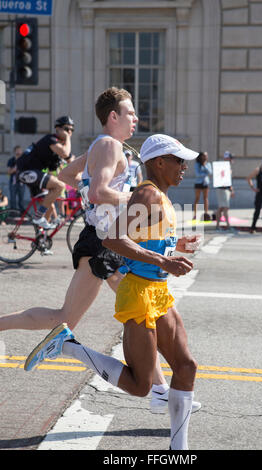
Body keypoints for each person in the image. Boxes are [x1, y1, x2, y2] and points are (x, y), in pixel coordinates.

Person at [0, 88, 199, 415]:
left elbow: (66, 176)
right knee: (66, 318)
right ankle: (158, 389)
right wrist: (134, 196)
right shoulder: (108, 144)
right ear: (113, 117)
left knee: (143, 314)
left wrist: (96, 195)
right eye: (130, 113)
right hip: (104, 243)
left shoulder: (103, 146)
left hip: (107, 240)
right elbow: (98, 189)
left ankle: (160, 390)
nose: (136, 118)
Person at [24, 134, 200, 450]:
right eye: (178, 160)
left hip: (158, 293)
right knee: (140, 384)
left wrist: (175, 247)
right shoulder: (147, 195)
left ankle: (179, 449)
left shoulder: (160, 194)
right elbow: (114, 240)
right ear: (159, 163)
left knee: (186, 367)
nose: (184, 167)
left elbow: (145, 237)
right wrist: (163, 260)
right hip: (139, 294)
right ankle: (68, 346)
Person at [16, 116, 74, 230]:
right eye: (67, 129)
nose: (70, 132)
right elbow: (66, 153)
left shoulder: (55, 149)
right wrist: (67, 138)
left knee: (49, 204)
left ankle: (41, 239)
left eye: (72, 130)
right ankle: (38, 217)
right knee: (59, 186)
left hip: (33, 173)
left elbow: (69, 161)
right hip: (26, 171)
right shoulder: (51, 139)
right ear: (58, 129)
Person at [216, 151, 235, 232]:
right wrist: (231, 189)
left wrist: (231, 189)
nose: (231, 159)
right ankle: (227, 225)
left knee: (221, 208)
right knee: (224, 208)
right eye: (230, 158)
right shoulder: (223, 166)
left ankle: (219, 225)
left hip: (225, 189)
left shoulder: (227, 166)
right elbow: (223, 179)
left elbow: (228, 180)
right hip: (222, 189)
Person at [193, 151, 212, 221]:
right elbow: (197, 174)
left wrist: (204, 166)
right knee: (197, 198)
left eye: (206, 156)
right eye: (204, 156)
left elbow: (210, 172)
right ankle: (195, 214)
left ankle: (206, 213)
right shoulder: (197, 164)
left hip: (205, 183)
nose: (206, 157)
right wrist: (205, 173)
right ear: (201, 156)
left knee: (205, 198)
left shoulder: (208, 164)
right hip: (198, 183)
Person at [7, 145, 26, 213]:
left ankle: (22, 212)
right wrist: (14, 169)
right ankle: (13, 212)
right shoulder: (11, 160)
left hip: (21, 182)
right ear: (14, 151)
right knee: (13, 198)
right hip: (13, 182)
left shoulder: (24, 160)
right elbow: (9, 172)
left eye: (20, 150)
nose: (19, 152)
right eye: (17, 150)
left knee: (21, 199)